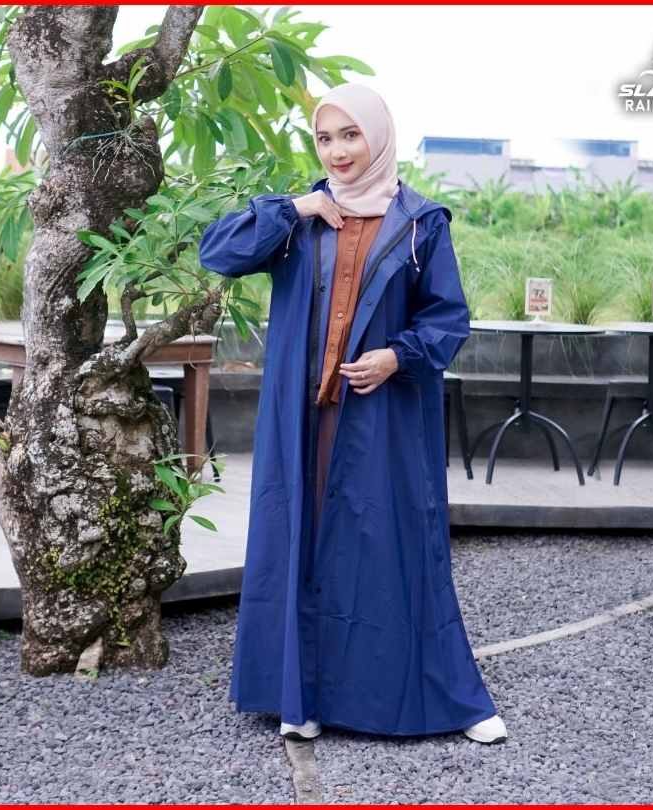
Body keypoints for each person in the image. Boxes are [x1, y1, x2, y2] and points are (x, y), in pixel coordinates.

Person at [198, 83, 506, 744]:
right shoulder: (300, 221)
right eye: (325, 138)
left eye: (350, 135)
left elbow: (448, 318)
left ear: (378, 137)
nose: (337, 151)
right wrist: (293, 206)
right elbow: (217, 251)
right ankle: (300, 698)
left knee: (391, 548)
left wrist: (398, 356)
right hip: (302, 419)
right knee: (302, 544)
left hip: (380, 418)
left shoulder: (421, 223)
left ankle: (437, 698)